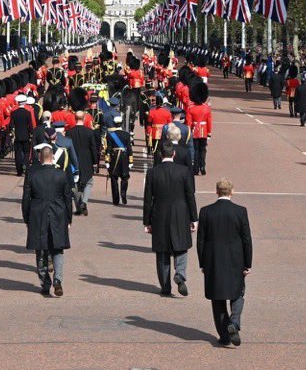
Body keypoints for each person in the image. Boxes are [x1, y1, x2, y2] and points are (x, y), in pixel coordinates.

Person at [197, 178, 252, 347]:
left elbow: (201, 241)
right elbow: (246, 240)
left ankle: (224, 335)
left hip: (213, 259)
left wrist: (203, 263)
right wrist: (247, 263)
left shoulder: (206, 211)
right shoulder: (240, 211)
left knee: (217, 298)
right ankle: (234, 321)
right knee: (238, 293)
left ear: (216, 191)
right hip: (236, 259)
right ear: (232, 191)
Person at [143, 141, 198, 297]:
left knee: (162, 252)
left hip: (159, 215)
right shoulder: (184, 171)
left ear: (161, 155)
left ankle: (165, 286)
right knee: (181, 246)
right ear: (173, 154)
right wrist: (194, 218)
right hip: (181, 214)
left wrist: (147, 221)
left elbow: (148, 199)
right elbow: (190, 196)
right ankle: (180, 273)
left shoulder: (153, 173)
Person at [23, 144, 73, 297]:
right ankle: (57, 279)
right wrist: (69, 218)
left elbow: (26, 199)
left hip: (38, 214)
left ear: (40, 157)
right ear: (52, 157)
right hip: (58, 213)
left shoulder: (33, 175)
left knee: (41, 250)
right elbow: (67, 199)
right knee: (57, 249)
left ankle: (45, 283)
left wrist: (26, 218)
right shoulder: (61, 175)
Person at [68, 111, 100, 216]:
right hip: (87, 160)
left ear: (75, 118)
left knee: (75, 184)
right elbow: (93, 148)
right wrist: (95, 162)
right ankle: (84, 202)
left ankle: (79, 206)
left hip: (74, 160)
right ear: (84, 119)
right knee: (89, 182)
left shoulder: (69, 132)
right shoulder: (89, 132)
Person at [104, 115, 133, 205]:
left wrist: (107, 161)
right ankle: (123, 193)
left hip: (114, 157)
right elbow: (129, 149)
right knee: (125, 177)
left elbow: (108, 149)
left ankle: (115, 199)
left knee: (114, 178)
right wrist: (131, 161)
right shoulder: (127, 135)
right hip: (124, 157)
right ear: (122, 123)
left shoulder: (110, 135)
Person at [186, 82, 212, 176]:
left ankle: (196, 168)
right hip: (204, 131)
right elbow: (209, 121)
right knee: (203, 149)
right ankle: (203, 167)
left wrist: (189, 131)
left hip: (195, 131)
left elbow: (188, 122)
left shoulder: (190, 108)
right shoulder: (206, 108)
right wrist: (209, 132)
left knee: (196, 150)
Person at [9, 94, 36, 177]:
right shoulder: (27, 113)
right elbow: (31, 126)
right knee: (26, 152)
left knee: (17, 153)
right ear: (24, 103)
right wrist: (32, 134)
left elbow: (11, 125)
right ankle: (25, 163)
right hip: (26, 135)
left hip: (17, 135)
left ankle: (19, 171)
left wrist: (11, 133)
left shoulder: (14, 112)